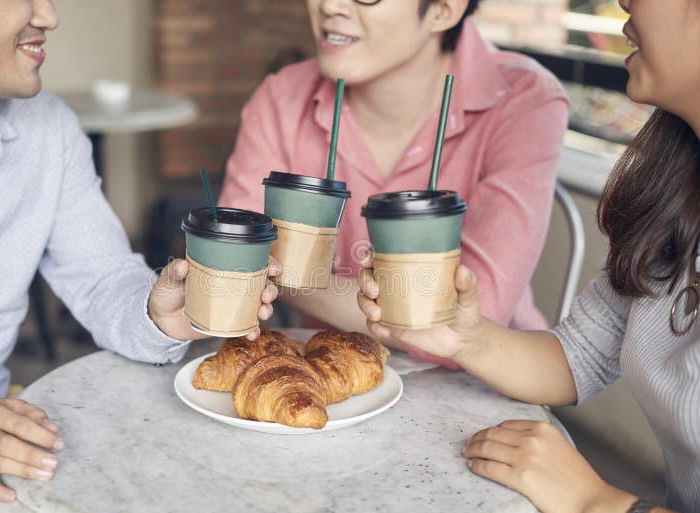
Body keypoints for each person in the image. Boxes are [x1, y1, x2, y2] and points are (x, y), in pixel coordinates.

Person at [0, 0, 279, 513]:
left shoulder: (47, 128)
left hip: (3, 453)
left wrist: (156, 313)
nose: (49, 16)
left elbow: (101, 275)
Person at [357, 0, 700, 513]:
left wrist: (599, 505)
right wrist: (465, 337)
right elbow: (580, 355)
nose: (624, 2)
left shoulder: (526, 96)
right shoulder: (678, 189)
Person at [219, 0, 570, 367]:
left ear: (443, 10)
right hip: (334, 370)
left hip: (486, 387)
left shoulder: (524, 98)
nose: (330, 6)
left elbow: (475, 322)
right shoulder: (282, 96)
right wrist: (415, 307)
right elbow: (236, 264)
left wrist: (292, 274)